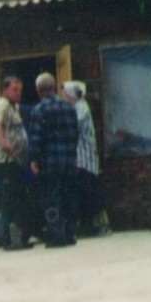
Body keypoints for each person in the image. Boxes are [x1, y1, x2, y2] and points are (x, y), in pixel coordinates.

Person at [26, 73, 81, 248]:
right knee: (68, 197)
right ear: (54, 87)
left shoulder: (39, 110)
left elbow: (36, 138)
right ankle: (70, 233)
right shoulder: (69, 108)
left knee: (51, 199)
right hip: (68, 160)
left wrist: (33, 159)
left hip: (49, 163)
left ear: (38, 90)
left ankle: (56, 235)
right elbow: (75, 134)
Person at [0, 75, 31, 249]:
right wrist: (4, 142)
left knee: (18, 200)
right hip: (4, 161)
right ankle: (6, 239)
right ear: (5, 90)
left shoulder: (14, 107)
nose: (18, 93)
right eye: (14, 89)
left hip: (15, 161)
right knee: (8, 201)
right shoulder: (2, 104)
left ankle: (18, 239)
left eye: (20, 90)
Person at [62, 82, 109, 236]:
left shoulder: (81, 108)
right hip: (80, 158)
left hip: (85, 158)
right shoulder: (77, 107)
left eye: (65, 95)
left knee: (91, 191)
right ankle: (91, 225)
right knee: (85, 192)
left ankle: (101, 224)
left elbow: (71, 127)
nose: (64, 98)